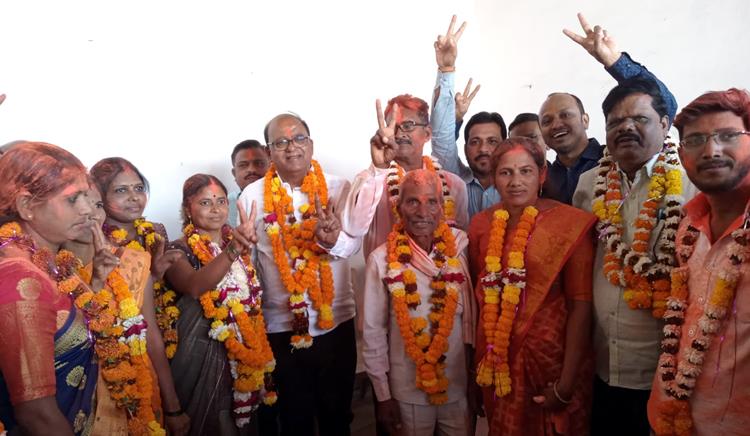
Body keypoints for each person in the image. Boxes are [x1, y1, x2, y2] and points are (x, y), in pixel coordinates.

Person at [572, 75, 696, 434]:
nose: (626, 127)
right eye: (615, 122)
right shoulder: (588, 185)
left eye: (639, 118)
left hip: (663, 367)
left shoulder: (691, 185)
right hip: (603, 364)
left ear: (665, 124)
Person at [239, 113, 358, 436]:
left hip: (336, 322)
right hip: (281, 326)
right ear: (269, 151)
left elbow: (353, 247)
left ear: (311, 144)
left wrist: (332, 239)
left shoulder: (339, 187)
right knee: (294, 419)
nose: (292, 147)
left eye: (299, 138)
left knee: (337, 417)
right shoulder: (251, 196)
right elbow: (250, 265)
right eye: (281, 142)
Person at [469, 137, 596, 435]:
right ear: (494, 178)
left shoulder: (569, 224)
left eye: (525, 171)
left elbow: (580, 305)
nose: (516, 181)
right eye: (506, 172)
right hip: (499, 358)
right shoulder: (481, 225)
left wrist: (566, 384)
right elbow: (482, 300)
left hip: (552, 361)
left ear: (541, 174)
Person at [647, 88, 750, 435]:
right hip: (668, 416)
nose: (711, 151)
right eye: (695, 140)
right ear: (681, 153)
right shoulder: (687, 227)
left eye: (728, 136)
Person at [62, 183, 189, 436]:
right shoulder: (48, 271)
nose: (90, 213)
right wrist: (96, 282)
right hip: (75, 400)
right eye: (76, 203)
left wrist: (173, 407)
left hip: (138, 389)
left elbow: (151, 338)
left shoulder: (132, 262)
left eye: (97, 205)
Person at [362, 169, 476, 436]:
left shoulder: (460, 248)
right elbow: (373, 332)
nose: (422, 212)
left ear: (442, 207)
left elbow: (474, 320)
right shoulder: (381, 260)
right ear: (399, 207)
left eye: (431, 201)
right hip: (407, 388)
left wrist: (473, 378)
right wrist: (383, 396)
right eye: (413, 201)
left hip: (457, 382)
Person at [0, 142, 98, 435]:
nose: (87, 210)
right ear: (26, 206)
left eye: (86, 195)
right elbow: (37, 414)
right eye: (73, 199)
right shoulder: (20, 278)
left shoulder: (48, 261)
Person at [165, 174, 274, 436]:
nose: (215, 209)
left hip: (243, 348)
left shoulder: (235, 245)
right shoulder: (178, 251)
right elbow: (195, 286)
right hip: (201, 355)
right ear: (187, 209)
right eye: (205, 202)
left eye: (221, 201)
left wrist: (236, 248)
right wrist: (234, 249)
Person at [90, 157, 190, 426]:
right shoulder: (95, 243)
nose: (134, 197)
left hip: (164, 334)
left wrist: (156, 276)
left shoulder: (155, 232)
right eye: (121, 190)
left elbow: (160, 291)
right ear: (98, 197)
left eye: (138, 188)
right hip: (122, 348)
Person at [539, 13, 677, 205]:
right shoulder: (543, 179)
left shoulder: (621, 157)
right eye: (547, 121)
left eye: (565, 115)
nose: (556, 124)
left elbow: (664, 104)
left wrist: (615, 62)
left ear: (585, 120)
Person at [428, 16, 505, 218]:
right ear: (464, 148)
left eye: (492, 141)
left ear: (505, 146)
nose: (483, 149)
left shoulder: (518, 186)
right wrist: (446, 69)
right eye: (475, 142)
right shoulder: (454, 178)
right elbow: (441, 138)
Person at [228, 140, 270, 226]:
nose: (251, 169)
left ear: (270, 167)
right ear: (234, 173)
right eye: (243, 165)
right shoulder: (225, 204)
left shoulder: (286, 198)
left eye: (259, 163)